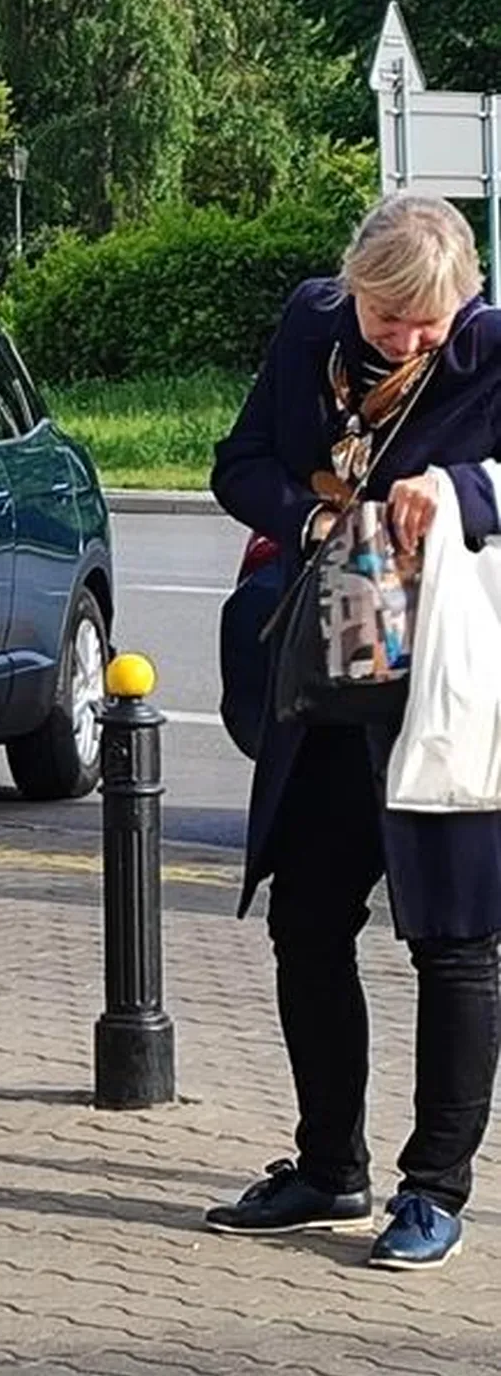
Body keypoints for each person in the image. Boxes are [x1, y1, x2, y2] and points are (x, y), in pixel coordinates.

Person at [206, 193, 501, 1268]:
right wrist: (312, 513)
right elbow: (236, 462)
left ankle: (435, 1189)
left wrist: (462, 487)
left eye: (433, 321)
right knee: (309, 920)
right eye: (390, 320)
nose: (412, 340)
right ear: (354, 287)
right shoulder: (307, 327)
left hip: (447, 689)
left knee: (456, 939)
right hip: (330, 679)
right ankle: (330, 1164)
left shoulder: (491, 351)